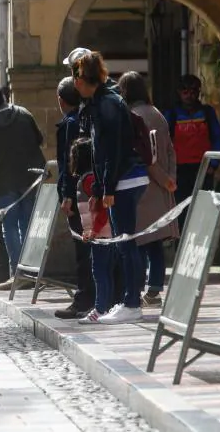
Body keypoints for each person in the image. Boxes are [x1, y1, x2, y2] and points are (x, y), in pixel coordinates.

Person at [72, 52, 148, 324]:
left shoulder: (107, 103)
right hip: (121, 178)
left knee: (126, 243)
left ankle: (131, 303)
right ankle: (128, 300)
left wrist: (107, 188)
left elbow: (112, 149)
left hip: (124, 178)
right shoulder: (101, 101)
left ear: (83, 78)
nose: (74, 83)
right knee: (122, 242)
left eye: (76, 76)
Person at [0, 83, 46, 291]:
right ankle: (31, 272)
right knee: (27, 224)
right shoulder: (23, 113)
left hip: (3, 183)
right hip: (29, 179)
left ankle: (19, 273)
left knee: (10, 227)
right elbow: (39, 139)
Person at [118, 72, 179, 307]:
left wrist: (163, 178)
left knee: (139, 240)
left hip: (143, 184)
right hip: (161, 186)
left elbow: (147, 158)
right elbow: (170, 150)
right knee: (155, 240)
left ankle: (140, 288)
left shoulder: (132, 116)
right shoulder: (158, 114)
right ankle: (154, 288)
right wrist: (170, 179)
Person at [53, 77, 95, 319]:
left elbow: (67, 165)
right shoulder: (88, 116)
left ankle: (84, 299)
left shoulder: (70, 124)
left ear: (60, 100)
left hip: (79, 191)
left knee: (83, 246)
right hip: (92, 188)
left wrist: (66, 194)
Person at [163, 74, 220, 230]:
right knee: (181, 213)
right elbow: (164, 143)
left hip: (203, 170)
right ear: (179, 92)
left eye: (193, 91)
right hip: (180, 172)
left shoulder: (207, 112)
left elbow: (217, 138)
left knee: (204, 211)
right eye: (185, 91)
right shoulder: (171, 114)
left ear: (198, 92)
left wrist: (214, 164)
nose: (189, 95)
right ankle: (181, 249)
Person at [70, 138, 117, 324]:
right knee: (103, 271)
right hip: (99, 234)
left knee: (99, 271)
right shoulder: (87, 178)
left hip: (102, 234)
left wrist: (95, 230)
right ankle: (106, 306)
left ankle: (100, 308)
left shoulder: (89, 179)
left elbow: (102, 208)